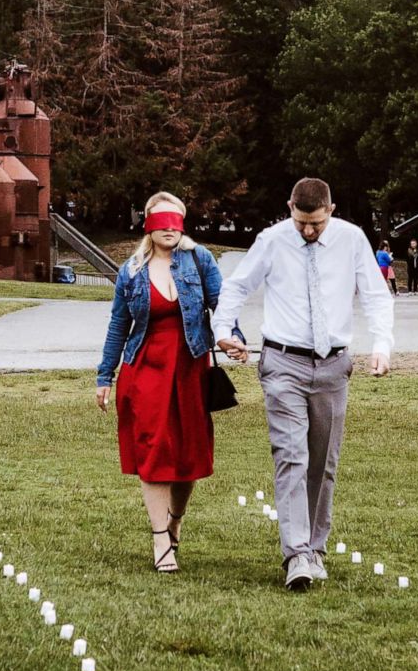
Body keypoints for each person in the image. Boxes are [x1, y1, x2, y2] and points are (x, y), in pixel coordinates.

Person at [212, 177, 394, 591]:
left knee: (322, 462)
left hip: (333, 366)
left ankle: (315, 547)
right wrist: (225, 329)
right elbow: (237, 285)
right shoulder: (272, 240)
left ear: (330, 210)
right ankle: (296, 554)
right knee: (291, 455)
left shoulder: (351, 239)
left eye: (316, 224)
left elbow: (375, 295)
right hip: (282, 363)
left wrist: (381, 344)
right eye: (301, 223)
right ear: (290, 207)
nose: (308, 232)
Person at [96, 191, 243, 573]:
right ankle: (160, 538)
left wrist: (232, 337)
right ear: (147, 224)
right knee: (153, 449)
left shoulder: (199, 259)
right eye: (159, 221)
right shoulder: (131, 270)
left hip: (191, 367)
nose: (168, 229)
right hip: (145, 369)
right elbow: (118, 325)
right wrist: (104, 376)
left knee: (187, 455)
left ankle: (176, 520)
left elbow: (221, 304)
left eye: (174, 221)